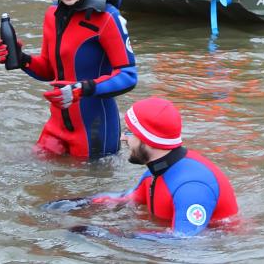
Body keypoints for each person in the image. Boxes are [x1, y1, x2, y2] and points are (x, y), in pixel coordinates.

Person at [0, 0, 137, 160]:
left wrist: (82, 89)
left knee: (83, 191)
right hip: (57, 125)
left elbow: (129, 77)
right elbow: (48, 70)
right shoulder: (52, 15)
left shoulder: (108, 17)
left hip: (94, 129)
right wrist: (21, 59)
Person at [43, 96, 239, 238]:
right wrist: (80, 202)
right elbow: (128, 198)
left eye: (129, 132)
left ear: (148, 139)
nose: (123, 137)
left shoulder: (191, 187)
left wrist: (110, 235)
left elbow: (184, 243)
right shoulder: (157, 171)